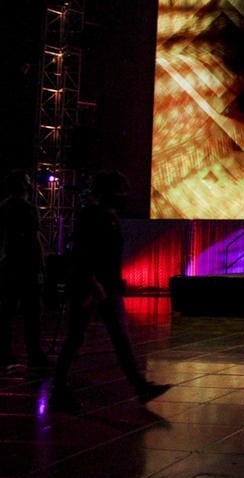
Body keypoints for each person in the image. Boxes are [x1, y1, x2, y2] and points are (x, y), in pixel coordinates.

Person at [51, 171, 171, 411]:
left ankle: (140, 387)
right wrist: (93, 285)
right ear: (108, 193)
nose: (124, 196)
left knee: (119, 339)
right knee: (76, 338)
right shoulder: (93, 216)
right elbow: (83, 254)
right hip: (91, 287)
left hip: (106, 287)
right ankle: (59, 390)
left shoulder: (109, 216)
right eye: (120, 192)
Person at [0, 169, 49, 372]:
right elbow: (33, 237)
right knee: (32, 312)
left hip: (8, 263)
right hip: (26, 265)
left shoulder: (3, 207)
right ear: (24, 187)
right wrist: (42, 264)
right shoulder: (28, 208)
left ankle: (4, 353)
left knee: (6, 311)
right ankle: (34, 354)